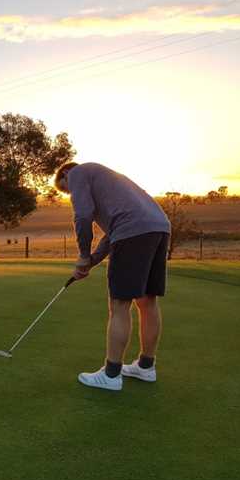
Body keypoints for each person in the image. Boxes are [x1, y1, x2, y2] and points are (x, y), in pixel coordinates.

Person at [54, 162, 171, 391]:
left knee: (119, 304)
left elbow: (83, 217)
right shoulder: (105, 180)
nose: (70, 195)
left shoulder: (77, 172)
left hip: (134, 232)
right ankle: (146, 367)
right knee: (148, 300)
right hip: (159, 227)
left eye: (66, 190)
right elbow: (113, 232)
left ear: (65, 174)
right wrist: (92, 261)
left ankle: (111, 374)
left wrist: (83, 255)